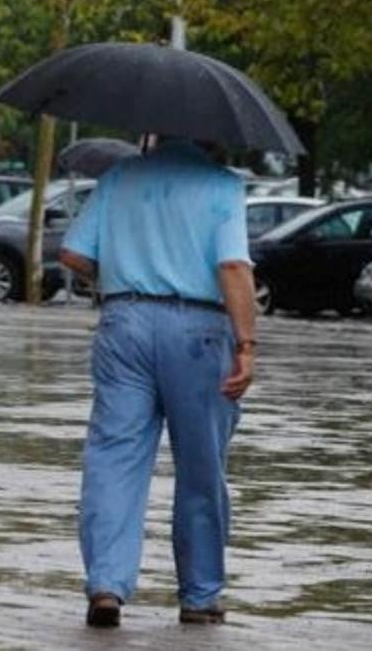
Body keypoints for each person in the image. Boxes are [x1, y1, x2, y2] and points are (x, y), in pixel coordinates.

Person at [58, 136, 256, 628]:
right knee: (201, 466)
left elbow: (73, 254)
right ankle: (200, 596)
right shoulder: (221, 185)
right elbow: (232, 266)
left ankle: (107, 585)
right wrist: (247, 345)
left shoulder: (119, 177)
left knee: (114, 458)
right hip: (198, 331)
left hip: (123, 322)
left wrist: (122, 273)